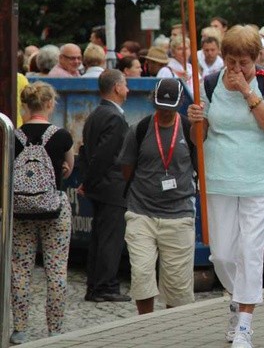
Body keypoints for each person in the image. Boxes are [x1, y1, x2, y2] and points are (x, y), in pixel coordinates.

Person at [187, 25, 264, 348]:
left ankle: (245, 321)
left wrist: (247, 91)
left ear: (256, 59)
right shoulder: (210, 83)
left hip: (261, 177)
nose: (236, 69)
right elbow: (197, 141)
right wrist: (196, 121)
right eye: (231, 61)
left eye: (243, 62)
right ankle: (237, 297)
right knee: (223, 255)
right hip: (219, 177)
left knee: (250, 249)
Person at [118, 78, 197, 315]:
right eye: (161, 107)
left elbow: (201, 166)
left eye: (169, 108)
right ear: (153, 102)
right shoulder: (139, 130)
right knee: (141, 274)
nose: (165, 113)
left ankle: (171, 328)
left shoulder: (189, 129)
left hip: (179, 214)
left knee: (178, 286)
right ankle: (147, 325)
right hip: (141, 212)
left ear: (179, 104)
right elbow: (127, 169)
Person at [10, 82, 74, 344]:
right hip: (54, 210)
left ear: (25, 106)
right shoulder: (61, 136)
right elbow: (69, 167)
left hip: (21, 210)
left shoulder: (13, 136)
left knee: (20, 269)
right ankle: (55, 329)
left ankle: (20, 328)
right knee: (56, 270)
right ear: (50, 104)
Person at [80, 70, 131, 302]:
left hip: (100, 187)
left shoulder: (96, 114)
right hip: (111, 187)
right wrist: (91, 181)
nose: (128, 90)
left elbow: (86, 152)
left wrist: (87, 181)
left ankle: (96, 285)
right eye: (126, 85)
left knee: (99, 237)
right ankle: (105, 286)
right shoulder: (114, 117)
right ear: (117, 88)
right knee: (110, 239)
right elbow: (105, 155)